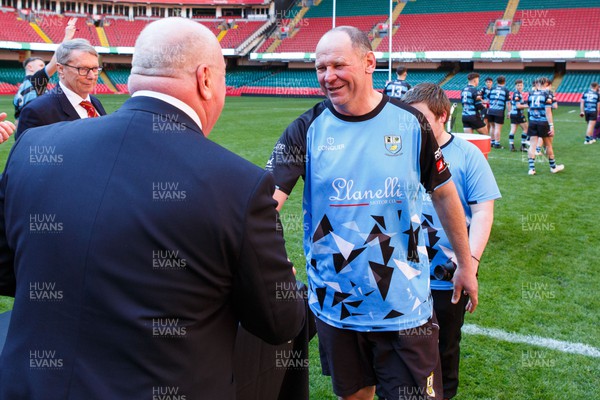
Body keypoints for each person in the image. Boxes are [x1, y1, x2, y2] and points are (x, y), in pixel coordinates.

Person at [0, 17, 305, 399]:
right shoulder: (239, 185)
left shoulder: (32, 149)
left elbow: (7, 271)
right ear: (206, 78)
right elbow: (280, 322)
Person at [266, 26, 478, 400]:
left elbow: (445, 196)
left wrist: (465, 262)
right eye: (320, 67)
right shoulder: (306, 129)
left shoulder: (410, 125)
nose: (327, 76)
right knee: (356, 396)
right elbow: (265, 203)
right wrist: (271, 261)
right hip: (337, 305)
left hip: (405, 305)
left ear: (369, 63)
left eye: (337, 65)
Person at [403, 83, 500, 400]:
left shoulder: (467, 155)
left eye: (421, 118)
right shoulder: (397, 152)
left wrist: (469, 263)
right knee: (400, 350)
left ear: (443, 115)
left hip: (447, 278)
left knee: (444, 350)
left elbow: (483, 211)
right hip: (401, 277)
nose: (413, 126)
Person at [15, 38, 106, 140]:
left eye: (94, 69)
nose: (92, 76)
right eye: (83, 69)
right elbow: (27, 154)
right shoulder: (37, 111)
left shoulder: (95, 103)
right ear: (61, 69)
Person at [13, 18, 77, 122]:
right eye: (41, 65)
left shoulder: (23, 87)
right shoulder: (35, 81)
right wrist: (68, 36)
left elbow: (17, 119)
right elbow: (55, 62)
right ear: (30, 67)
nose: (43, 68)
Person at [527, 78, 564, 175]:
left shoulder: (531, 94)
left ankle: (531, 169)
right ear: (546, 84)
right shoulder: (548, 94)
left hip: (532, 121)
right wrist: (551, 126)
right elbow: (548, 111)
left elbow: (529, 108)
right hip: (543, 122)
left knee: (532, 145)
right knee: (548, 145)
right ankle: (553, 167)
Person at [487, 75, 511, 149]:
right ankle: (497, 143)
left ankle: (492, 142)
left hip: (491, 110)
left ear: (497, 82)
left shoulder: (492, 89)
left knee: (492, 127)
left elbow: (488, 100)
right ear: (504, 82)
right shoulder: (505, 90)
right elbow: (508, 103)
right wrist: (509, 112)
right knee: (497, 127)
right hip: (499, 111)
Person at [508, 79, 529, 152]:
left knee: (513, 130)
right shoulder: (517, 94)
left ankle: (511, 145)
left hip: (513, 114)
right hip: (518, 114)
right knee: (526, 129)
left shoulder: (517, 94)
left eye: (521, 85)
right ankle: (523, 146)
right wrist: (528, 105)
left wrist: (510, 111)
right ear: (515, 86)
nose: (519, 87)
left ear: (523, 86)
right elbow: (518, 106)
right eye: (518, 85)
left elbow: (511, 103)